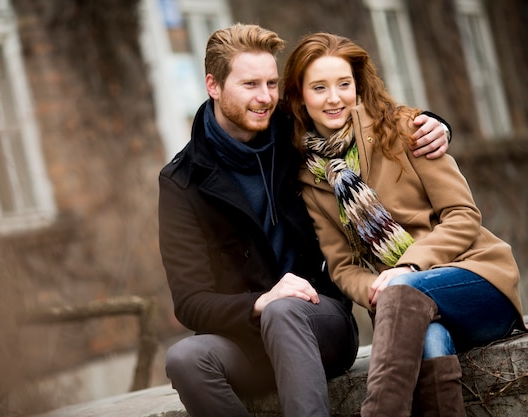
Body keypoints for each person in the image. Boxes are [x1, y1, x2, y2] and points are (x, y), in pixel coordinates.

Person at [159, 24, 451, 417]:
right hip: (248, 342)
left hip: (322, 324)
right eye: (250, 85)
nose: (265, 98)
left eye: (271, 83)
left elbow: (368, 118)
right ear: (213, 85)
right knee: (185, 359)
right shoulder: (182, 180)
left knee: (285, 311)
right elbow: (190, 302)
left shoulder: (294, 129)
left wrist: (434, 123)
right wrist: (261, 302)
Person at [282, 32, 525, 417]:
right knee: (429, 340)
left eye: (344, 84)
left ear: (358, 87)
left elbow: (463, 216)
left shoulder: (405, 128)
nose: (334, 98)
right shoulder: (310, 178)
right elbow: (343, 267)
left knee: (404, 292)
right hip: (404, 310)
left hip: (476, 282)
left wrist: (407, 268)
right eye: (319, 87)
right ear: (299, 96)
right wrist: (378, 290)